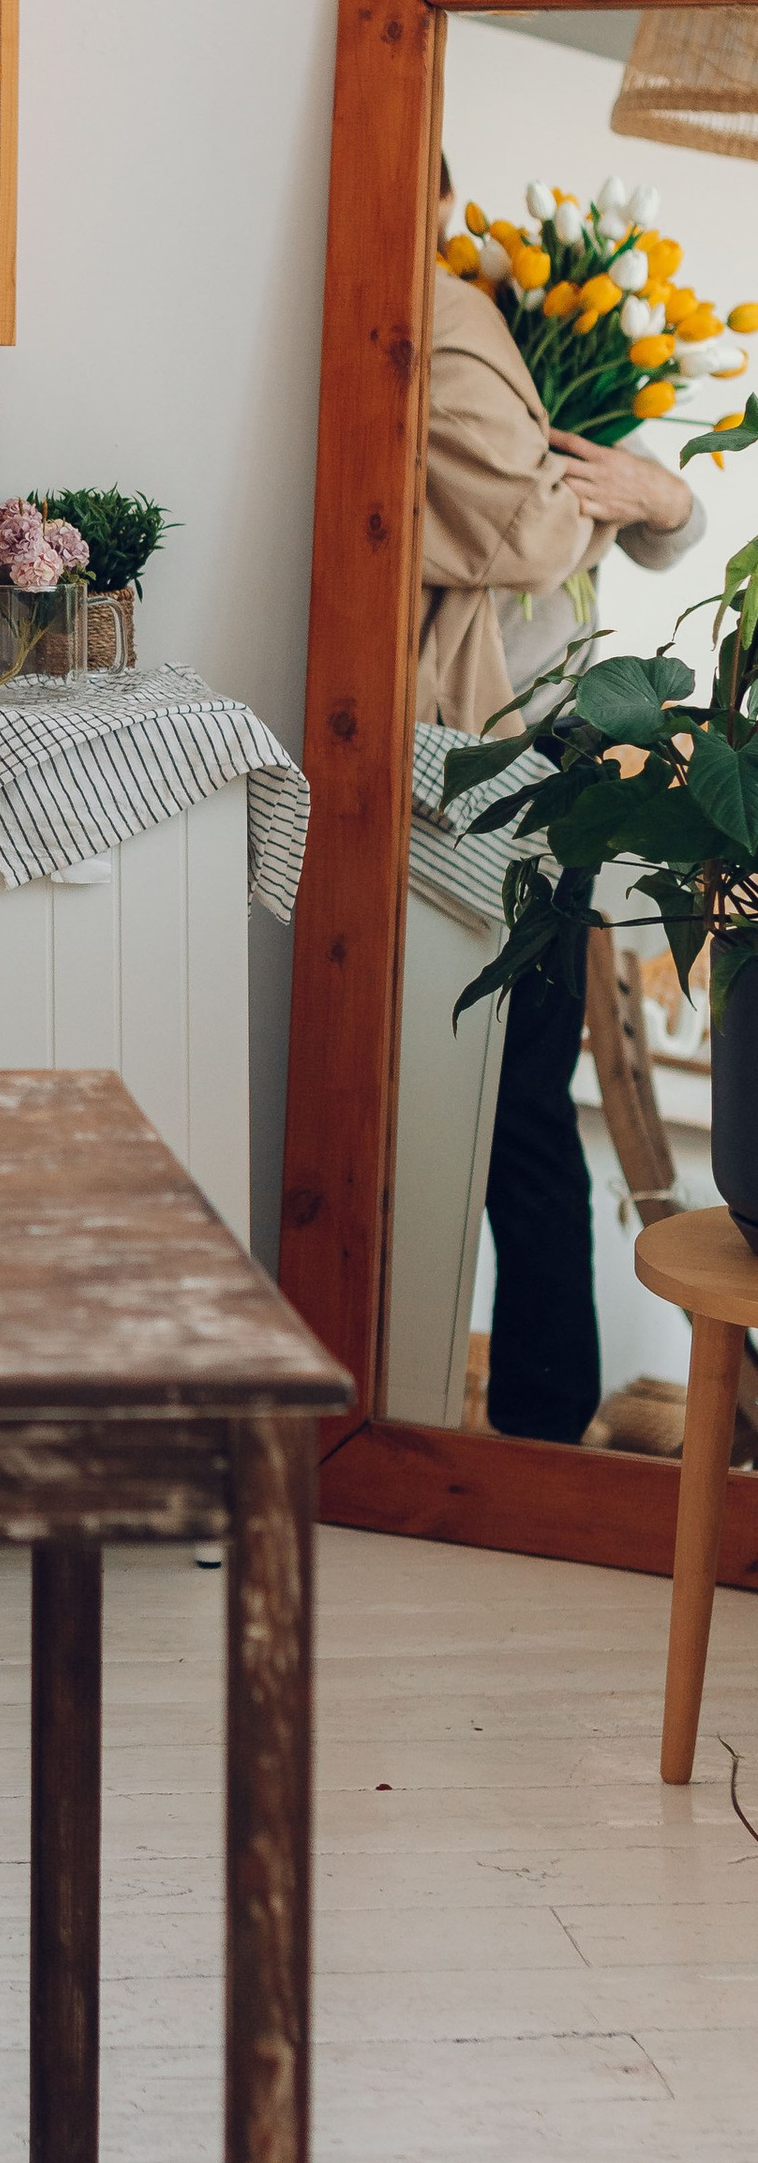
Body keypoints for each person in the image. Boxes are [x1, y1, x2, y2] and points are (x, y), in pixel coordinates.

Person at [420, 173, 704, 1443]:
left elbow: (599, 514)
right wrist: (613, 503)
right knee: (502, 1109)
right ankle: (528, 1415)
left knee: (518, 1106)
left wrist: (665, 500)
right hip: (487, 749)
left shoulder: (472, 320)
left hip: (546, 749)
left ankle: (541, 1424)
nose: (446, 221)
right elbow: (528, 530)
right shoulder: (435, 329)